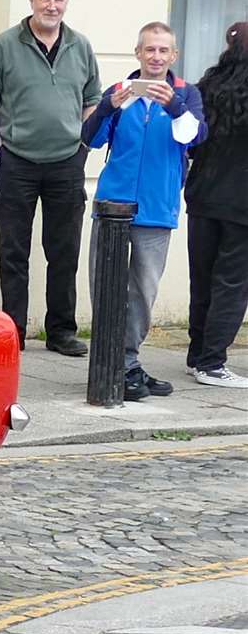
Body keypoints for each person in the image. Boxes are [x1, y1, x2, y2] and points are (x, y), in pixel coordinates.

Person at [0, 0, 103, 355]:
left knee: (63, 250)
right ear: (31, 0)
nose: (52, 6)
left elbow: (92, 100)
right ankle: (13, 330)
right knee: (14, 252)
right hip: (15, 162)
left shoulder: (81, 46)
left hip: (66, 164)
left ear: (66, 3)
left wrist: (80, 145)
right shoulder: (4, 46)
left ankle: (61, 330)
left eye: (58, 0)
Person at [81, 23, 207, 401]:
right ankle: (110, 364)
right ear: (138, 53)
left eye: (163, 51)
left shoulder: (187, 95)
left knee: (142, 293)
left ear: (173, 56)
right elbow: (90, 138)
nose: (155, 57)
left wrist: (174, 105)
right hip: (112, 205)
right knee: (105, 286)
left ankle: (129, 363)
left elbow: (195, 138)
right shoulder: (120, 92)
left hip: (156, 209)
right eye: (149, 50)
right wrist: (107, 107)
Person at [186, 22, 248, 388]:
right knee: (232, 283)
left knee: (202, 279)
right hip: (242, 204)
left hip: (203, 197)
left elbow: (191, 142)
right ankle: (212, 362)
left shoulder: (206, 87)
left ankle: (197, 355)